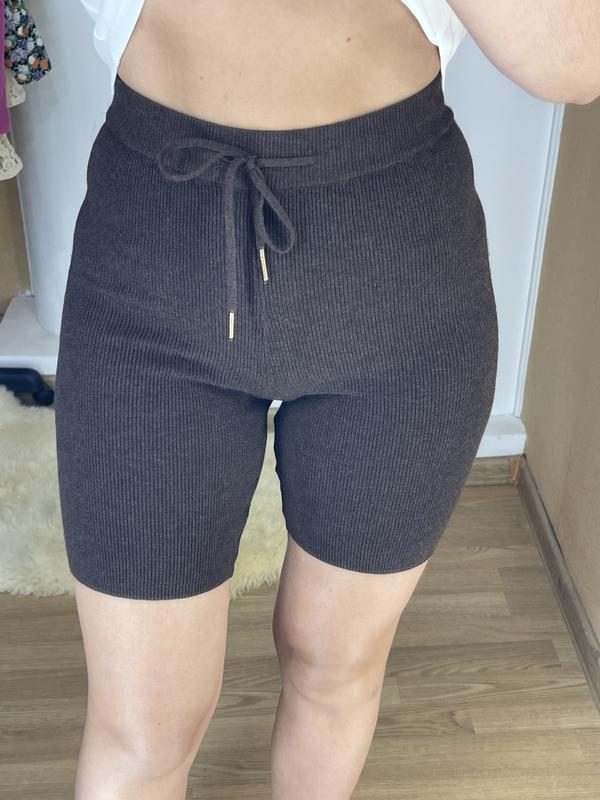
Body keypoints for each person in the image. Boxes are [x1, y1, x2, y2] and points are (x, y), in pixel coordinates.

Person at [54, 2, 600, 798]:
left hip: (400, 279)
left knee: (333, 666)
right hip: (154, 267)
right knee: (146, 727)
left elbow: (575, 60)